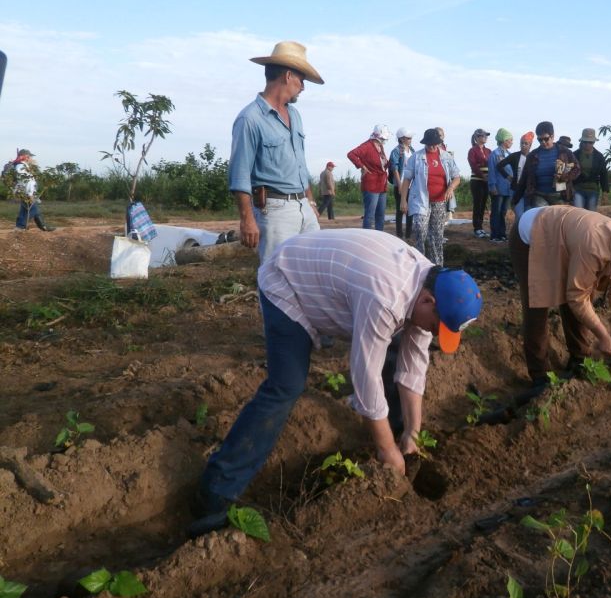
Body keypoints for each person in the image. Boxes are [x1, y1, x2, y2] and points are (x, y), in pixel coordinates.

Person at [189, 228, 483, 537]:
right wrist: (385, 450)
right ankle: (215, 494)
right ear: (428, 300)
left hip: (330, 279)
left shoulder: (431, 283)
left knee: (398, 348)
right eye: (437, 327)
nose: (436, 333)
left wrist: (414, 432)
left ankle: (397, 437)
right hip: (287, 281)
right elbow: (364, 375)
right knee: (286, 385)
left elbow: (414, 365)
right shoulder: (387, 297)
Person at [510, 205, 611, 388]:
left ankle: (579, 360)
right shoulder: (594, 247)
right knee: (537, 304)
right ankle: (540, 375)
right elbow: (577, 297)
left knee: (576, 297)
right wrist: (603, 337)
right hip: (531, 234)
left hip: (561, 236)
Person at [228, 41, 322, 262]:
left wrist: (310, 202)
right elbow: (239, 174)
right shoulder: (250, 119)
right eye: (301, 80)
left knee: (312, 268)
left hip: (303, 208)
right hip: (275, 210)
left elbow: (300, 164)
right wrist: (247, 219)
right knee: (276, 275)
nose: (303, 87)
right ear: (288, 76)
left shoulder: (295, 115)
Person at [400, 129, 460, 266]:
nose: (432, 146)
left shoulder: (446, 157)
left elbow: (456, 177)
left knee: (437, 235)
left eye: (435, 144)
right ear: (425, 143)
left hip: (440, 201)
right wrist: (403, 200)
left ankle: (437, 265)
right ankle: (420, 263)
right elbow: (407, 179)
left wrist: (450, 188)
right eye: (429, 144)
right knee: (420, 229)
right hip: (421, 200)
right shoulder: (416, 157)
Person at [513, 121, 580, 210]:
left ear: (552, 136)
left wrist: (565, 177)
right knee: (543, 218)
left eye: (546, 139)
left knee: (558, 221)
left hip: (559, 195)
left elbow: (577, 169)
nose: (543, 142)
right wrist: (515, 199)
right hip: (538, 195)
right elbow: (524, 178)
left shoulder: (564, 152)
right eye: (540, 140)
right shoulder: (533, 155)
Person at [348, 124, 392, 231]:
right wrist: (361, 166)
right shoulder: (367, 146)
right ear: (378, 136)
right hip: (371, 184)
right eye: (383, 138)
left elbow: (382, 165)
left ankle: (379, 236)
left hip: (381, 183)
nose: (384, 140)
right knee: (370, 215)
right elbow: (351, 154)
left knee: (380, 214)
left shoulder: (380, 147)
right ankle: (367, 237)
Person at [9, 149, 55, 231]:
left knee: (26, 209)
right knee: (33, 210)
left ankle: (39, 226)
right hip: (26, 193)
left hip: (25, 192)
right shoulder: (21, 167)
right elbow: (26, 181)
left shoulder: (23, 166)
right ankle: (21, 227)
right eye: (29, 157)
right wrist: (30, 194)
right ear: (25, 157)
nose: (31, 158)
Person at [497, 131, 534, 219]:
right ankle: (518, 232)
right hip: (516, 190)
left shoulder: (534, 157)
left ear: (530, 145)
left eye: (526, 143)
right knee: (520, 216)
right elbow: (499, 166)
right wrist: (507, 176)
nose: (523, 145)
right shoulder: (514, 156)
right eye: (522, 143)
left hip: (529, 191)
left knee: (529, 216)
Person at [572, 128, 610, 211]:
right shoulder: (574, 155)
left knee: (591, 215)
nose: (587, 144)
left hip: (593, 190)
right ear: (582, 141)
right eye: (585, 142)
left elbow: (603, 174)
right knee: (578, 213)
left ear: (594, 142)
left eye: (590, 142)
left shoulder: (599, 156)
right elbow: (569, 172)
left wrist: (605, 191)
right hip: (578, 189)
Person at [487, 128, 514, 242]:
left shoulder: (510, 154)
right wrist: (492, 186)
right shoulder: (494, 154)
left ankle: (502, 234)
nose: (512, 142)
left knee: (503, 212)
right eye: (510, 140)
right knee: (496, 212)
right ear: (504, 140)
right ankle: (494, 235)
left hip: (508, 189)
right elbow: (492, 171)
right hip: (498, 188)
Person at [389, 128, 415, 239]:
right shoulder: (396, 151)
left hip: (411, 184)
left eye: (410, 138)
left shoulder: (412, 150)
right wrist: (399, 185)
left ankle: (408, 235)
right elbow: (394, 168)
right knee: (400, 210)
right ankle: (399, 235)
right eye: (408, 138)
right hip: (401, 184)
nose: (410, 140)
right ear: (402, 139)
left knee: (410, 210)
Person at [467, 128, 492, 238]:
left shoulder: (489, 151)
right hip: (477, 181)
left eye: (486, 136)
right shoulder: (472, 151)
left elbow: (492, 165)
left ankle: (480, 227)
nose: (485, 137)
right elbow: (473, 165)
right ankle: (476, 228)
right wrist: (482, 176)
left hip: (486, 181)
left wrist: (489, 178)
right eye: (482, 136)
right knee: (478, 204)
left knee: (483, 204)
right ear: (476, 138)